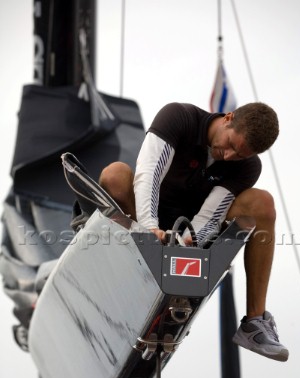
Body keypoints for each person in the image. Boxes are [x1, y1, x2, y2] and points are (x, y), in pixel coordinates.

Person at [98, 101, 289, 362]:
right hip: (142, 221)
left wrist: (185, 243)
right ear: (228, 118)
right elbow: (149, 173)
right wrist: (149, 228)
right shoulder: (179, 118)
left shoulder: (247, 167)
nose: (230, 156)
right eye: (232, 144)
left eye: (240, 155)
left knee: (262, 203)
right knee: (115, 175)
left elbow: (211, 214)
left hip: (187, 233)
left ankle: (254, 323)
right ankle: (112, 263)